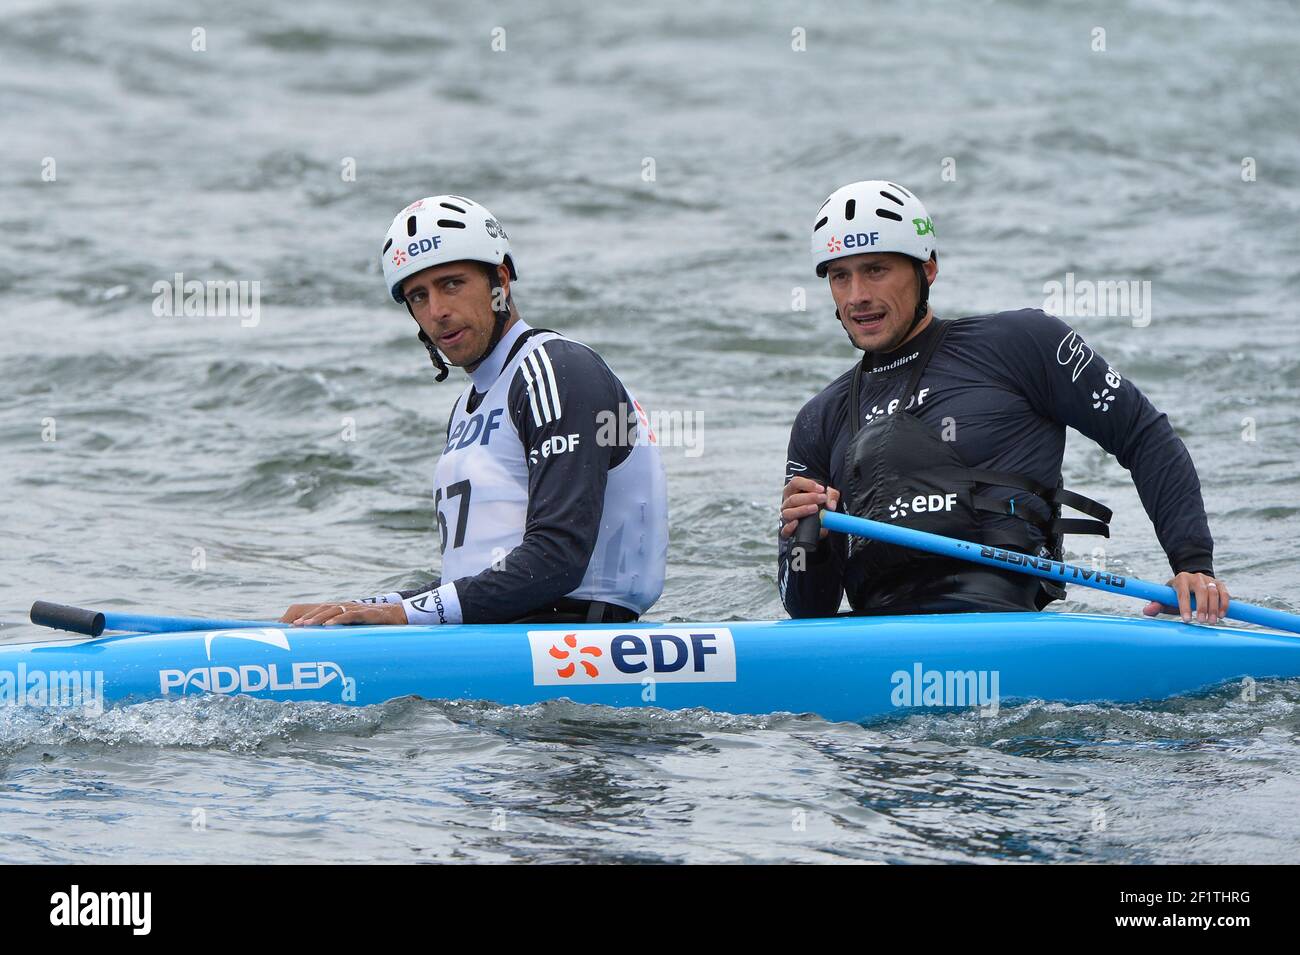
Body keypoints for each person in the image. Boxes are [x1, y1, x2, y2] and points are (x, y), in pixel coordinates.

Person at [778, 179, 1229, 624]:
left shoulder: (1021, 344)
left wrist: (1191, 566)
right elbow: (808, 609)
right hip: (878, 636)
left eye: (876, 270)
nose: (857, 296)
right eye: (841, 276)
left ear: (927, 269)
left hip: (1008, 619)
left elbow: (1143, 435)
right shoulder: (819, 419)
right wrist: (808, 539)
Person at [282, 195, 668, 627]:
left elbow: (557, 558)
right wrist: (363, 605)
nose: (438, 311)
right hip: (496, 635)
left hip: (579, 640)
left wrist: (402, 615)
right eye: (418, 296)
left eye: (451, 284)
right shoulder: (468, 409)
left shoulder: (557, 371)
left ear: (500, 281)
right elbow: (471, 580)